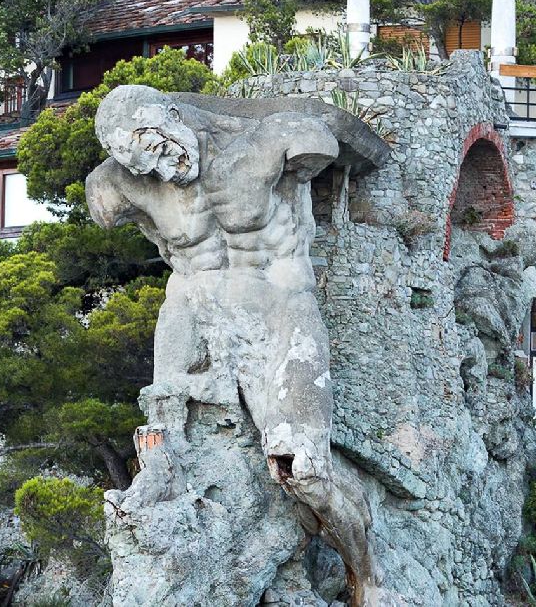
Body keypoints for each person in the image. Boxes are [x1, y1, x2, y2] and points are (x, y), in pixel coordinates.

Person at [86, 84, 389, 604]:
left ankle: (369, 574)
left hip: (279, 309)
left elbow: (344, 143)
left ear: (171, 116)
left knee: (305, 469)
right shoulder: (117, 183)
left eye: (157, 149)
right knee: (163, 452)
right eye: (142, 167)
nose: (159, 171)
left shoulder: (273, 137)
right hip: (194, 314)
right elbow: (147, 232)